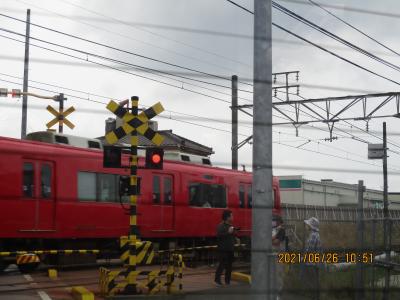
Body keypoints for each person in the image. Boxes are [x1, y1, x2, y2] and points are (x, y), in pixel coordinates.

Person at [215, 210, 236, 286]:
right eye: (231, 216)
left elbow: (231, 236)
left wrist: (235, 238)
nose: (233, 217)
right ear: (227, 217)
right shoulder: (221, 226)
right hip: (223, 249)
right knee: (222, 264)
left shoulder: (230, 226)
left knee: (229, 266)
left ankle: (227, 281)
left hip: (230, 249)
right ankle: (217, 280)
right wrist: (228, 232)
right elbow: (219, 236)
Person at [302, 217, 322, 300]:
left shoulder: (313, 235)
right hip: (315, 262)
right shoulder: (316, 234)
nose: (306, 226)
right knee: (315, 281)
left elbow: (309, 249)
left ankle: (314, 297)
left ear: (311, 226)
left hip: (311, 262)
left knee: (312, 282)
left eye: (307, 225)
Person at [272, 214, 286, 300]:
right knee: (274, 274)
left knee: (279, 274)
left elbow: (277, 242)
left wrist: (271, 239)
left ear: (278, 222)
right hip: (275, 254)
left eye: (275, 221)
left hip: (280, 255)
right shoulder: (275, 230)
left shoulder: (281, 230)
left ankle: (278, 294)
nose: (273, 222)